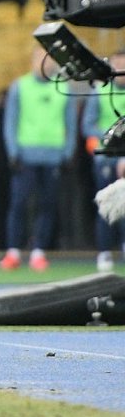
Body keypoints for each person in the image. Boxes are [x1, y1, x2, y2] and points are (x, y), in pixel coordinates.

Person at [1, 47, 77, 272]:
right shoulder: (20, 86)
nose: (45, 63)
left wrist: (68, 152)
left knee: (48, 204)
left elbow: (70, 124)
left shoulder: (64, 88)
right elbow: (10, 122)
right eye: (40, 58)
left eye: (49, 59)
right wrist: (13, 152)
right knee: (19, 203)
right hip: (26, 155)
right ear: (32, 61)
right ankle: (13, 251)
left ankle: (39, 251)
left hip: (53, 155)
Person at [80, 50, 125, 272]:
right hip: (106, 159)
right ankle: (104, 251)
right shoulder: (100, 91)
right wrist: (111, 137)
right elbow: (88, 125)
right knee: (106, 205)